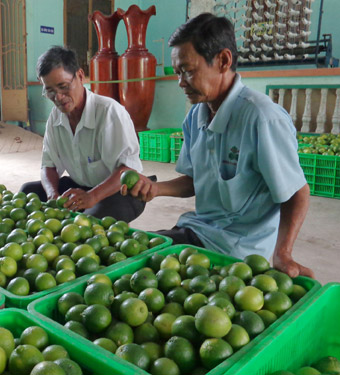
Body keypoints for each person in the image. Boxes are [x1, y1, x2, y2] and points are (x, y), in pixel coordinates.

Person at [122, 13, 314, 278]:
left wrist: (282, 253)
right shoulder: (196, 115)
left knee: (137, 267)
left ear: (223, 61)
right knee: (126, 253)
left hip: (236, 251)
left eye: (188, 71)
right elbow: (194, 180)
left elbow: (296, 192)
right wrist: (155, 188)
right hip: (198, 231)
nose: (180, 83)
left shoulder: (261, 118)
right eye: (178, 73)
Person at [20, 46, 146, 223]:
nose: (58, 97)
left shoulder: (109, 112)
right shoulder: (55, 118)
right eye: (50, 91)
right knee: (28, 192)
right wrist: (53, 195)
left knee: (87, 223)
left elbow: (128, 169)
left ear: (80, 76)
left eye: (63, 87)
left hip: (121, 191)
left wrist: (92, 197)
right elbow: (48, 166)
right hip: (82, 186)